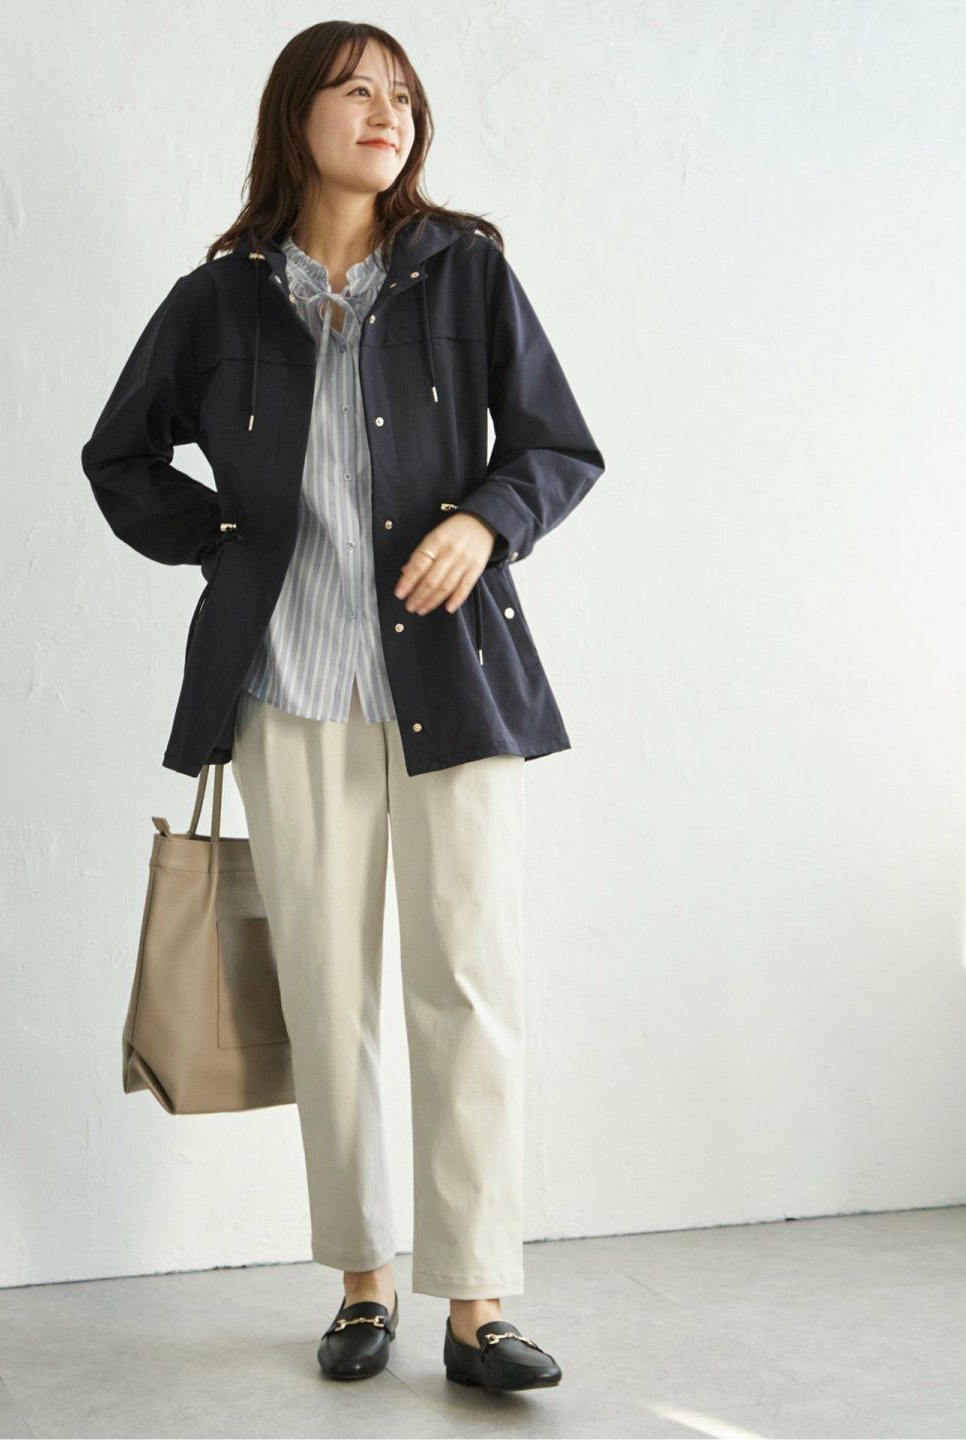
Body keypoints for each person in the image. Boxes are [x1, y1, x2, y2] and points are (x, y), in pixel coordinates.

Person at [82, 20, 604, 1394]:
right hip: (290, 691)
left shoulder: (465, 271)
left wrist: (488, 520)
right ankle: (363, 1285)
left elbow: (558, 446)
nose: (388, 112)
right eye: (357, 89)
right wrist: (225, 540)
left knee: (468, 986)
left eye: (404, 96)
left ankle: (477, 1306)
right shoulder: (219, 303)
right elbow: (119, 457)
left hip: (455, 690)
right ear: (294, 116)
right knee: (328, 997)